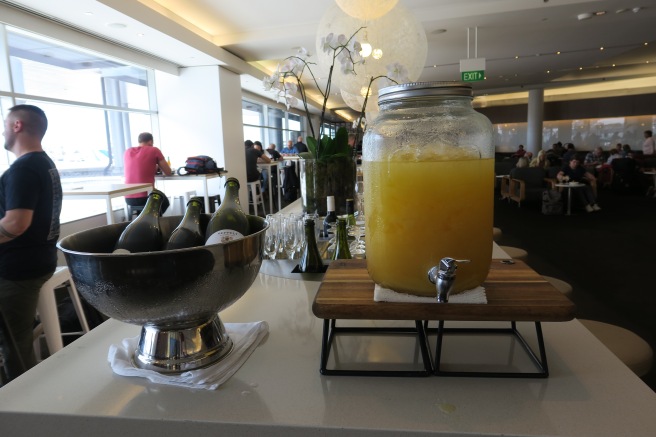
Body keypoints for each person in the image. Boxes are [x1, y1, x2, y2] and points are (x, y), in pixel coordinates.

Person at [0, 104, 62, 379]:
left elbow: (16, 223)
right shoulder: (44, 163)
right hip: (37, 261)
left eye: (5, 123)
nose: (2, 129)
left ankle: (19, 401)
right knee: (17, 336)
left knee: (13, 343)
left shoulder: (23, 169)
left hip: (18, 270)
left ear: (17, 126)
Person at [124, 132, 171, 212]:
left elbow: (138, 168)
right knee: (165, 202)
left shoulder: (127, 151)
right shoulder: (154, 150)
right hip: (146, 197)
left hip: (128, 198)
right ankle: (153, 221)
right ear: (150, 142)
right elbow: (168, 172)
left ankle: (142, 221)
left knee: (145, 207)